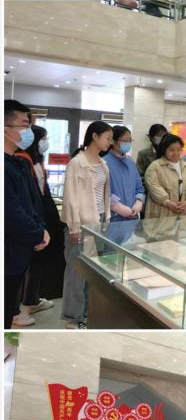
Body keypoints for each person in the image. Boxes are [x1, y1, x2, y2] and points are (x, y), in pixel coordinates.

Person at [61, 120, 112, 329]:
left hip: (98, 222)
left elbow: (104, 194)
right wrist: (74, 227)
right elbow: (70, 197)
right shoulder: (77, 163)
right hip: (81, 224)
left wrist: (106, 219)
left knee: (91, 272)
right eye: (107, 138)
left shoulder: (102, 163)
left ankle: (85, 313)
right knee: (76, 273)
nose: (110, 142)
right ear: (94, 136)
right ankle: (73, 318)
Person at [14, 124, 65, 325]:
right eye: (43, 138)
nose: (46, 142)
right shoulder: (21, 160)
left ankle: (32, 300)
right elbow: (28, 198)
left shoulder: (37, 161)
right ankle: (17, 311)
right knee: (24, 265)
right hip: (30, 222)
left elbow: (43, 192)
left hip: (42, 219)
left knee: (38, 263)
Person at [4, 100, 49, 329]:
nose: (28, 131)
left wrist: (41, 229)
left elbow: (29, 204)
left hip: (18, 252)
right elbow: (10, 212)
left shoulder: (16, 163)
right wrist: (37, 234)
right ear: (5, 130)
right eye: (24, 124)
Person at [144, 134, 186, 236]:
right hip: (162, 211)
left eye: (178, 149)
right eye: (172, 150)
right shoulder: (155, 166)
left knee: (182, 240)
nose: (176, 153)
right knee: (162, 241)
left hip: (184, 210)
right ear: (164, 150)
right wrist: (167, 202)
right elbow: (154, 186)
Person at [103, 125, 145, 245]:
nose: (128, 144)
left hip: (132, 218)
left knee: (128, 251)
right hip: (113, 218)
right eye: (125, 140)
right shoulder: (104, 163)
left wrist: (138, 202)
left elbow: (139, 188)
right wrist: (117, 207)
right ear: (113, 141)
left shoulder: (131, 163)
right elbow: (102, 192)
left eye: (130, 141)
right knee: (110, 251)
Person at [137, 123, 167, 188]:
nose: (162, 138)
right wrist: (153, 186)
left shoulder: (168, 153)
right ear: (152, 138)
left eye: (164, 136)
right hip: (149, 189)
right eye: (159, 135)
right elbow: (139, 176)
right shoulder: (143, 154)